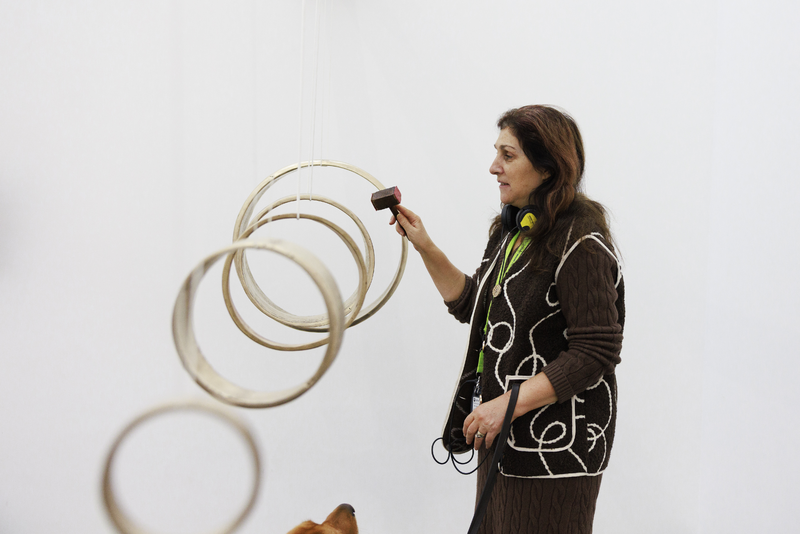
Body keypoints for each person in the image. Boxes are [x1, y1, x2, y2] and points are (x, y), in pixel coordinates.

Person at [390, 105, 625, 533]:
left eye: (508, 155)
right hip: (505, 441)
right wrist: (423, 245)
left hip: (556, 456)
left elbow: (596, 351)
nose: (494, 167)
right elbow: (473, 307)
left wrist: (508, 404)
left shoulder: (582, 242)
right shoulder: (511, 232)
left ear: (549, 167)